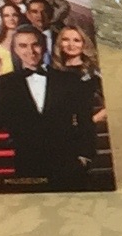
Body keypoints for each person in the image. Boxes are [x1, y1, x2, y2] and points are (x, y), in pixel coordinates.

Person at [0, 24, 102, 187]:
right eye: (23, 46)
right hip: (28, 161)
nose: (30, 51)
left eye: (35, 44)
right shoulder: (6, 83)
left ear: (44, 46)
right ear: (15, 49)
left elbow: (85, 120)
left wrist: (85, 156)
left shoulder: (68, 79)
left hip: (68, 161)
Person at [46, 23, 109, 183]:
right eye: (66, 39)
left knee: (77, 178)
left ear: (83, 44)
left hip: (82, 137)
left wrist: (92, 120)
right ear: (59, 43)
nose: (71, 44)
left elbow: (112, 102)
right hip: (56, 136)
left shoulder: (93, 72)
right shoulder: (51, 72)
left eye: (76, 40)